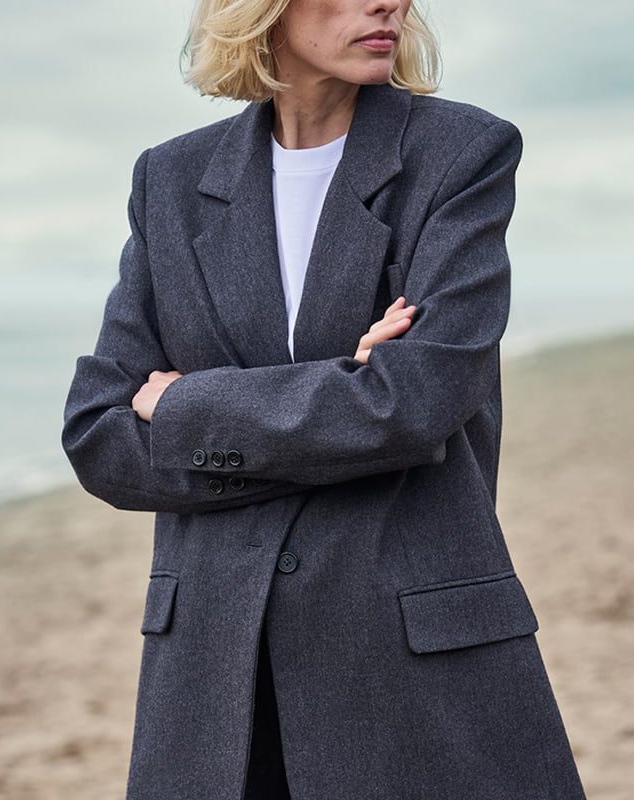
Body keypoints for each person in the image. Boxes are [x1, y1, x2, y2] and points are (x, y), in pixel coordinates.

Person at [62, 1, 589, 798]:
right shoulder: (167, 178)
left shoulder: (462, 153)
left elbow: (415, 402)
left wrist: (183, 409)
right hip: (213, 679)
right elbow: (98, 434)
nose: (388, 4)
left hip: (410, 661)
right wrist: (347, 393)